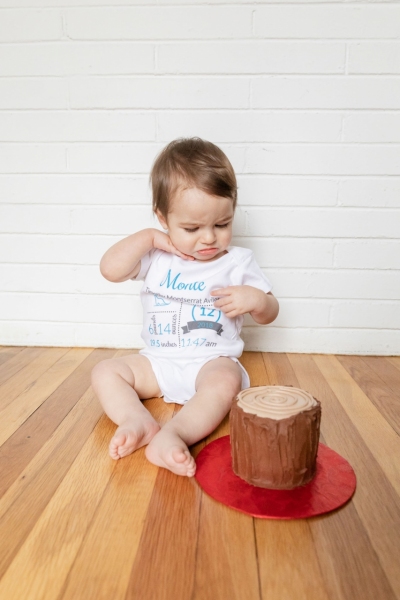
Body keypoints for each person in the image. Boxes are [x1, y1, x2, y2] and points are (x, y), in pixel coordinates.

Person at [91, 138, 279, 477]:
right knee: (105, 371)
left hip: (209, 361)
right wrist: (148, 238)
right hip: (157, 362)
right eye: (192, 228)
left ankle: (175, 434)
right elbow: (109, 269)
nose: (208, 238)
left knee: (226, 381)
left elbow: (270, 313)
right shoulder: (157, 257)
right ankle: (137, 420)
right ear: (164, 218)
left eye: (222, 224)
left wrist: (258, 301)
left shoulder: (238, 261)